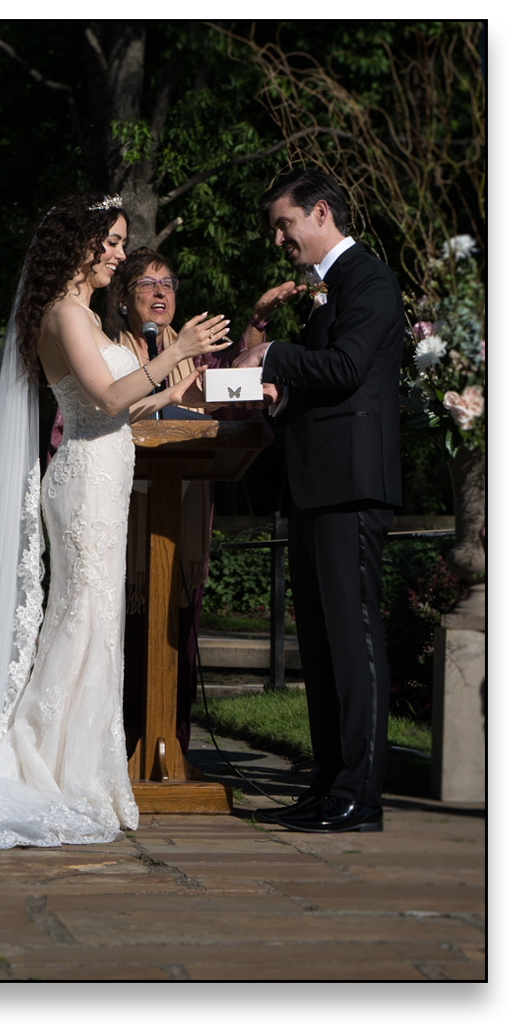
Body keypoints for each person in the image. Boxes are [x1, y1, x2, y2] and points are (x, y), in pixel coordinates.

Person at [0, 192, 230, 849]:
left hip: (105, 476)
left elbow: (119, 410)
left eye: (118, 244)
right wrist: (176, 350)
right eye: (107, 242)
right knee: (82, 620)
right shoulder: (64, 313)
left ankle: (80, 768)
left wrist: (179, 388)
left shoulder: (85, 316)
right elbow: (108, 394)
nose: (116, 254)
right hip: (82, 485)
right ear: (74, 245)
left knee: (94, 624)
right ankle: (43, 766)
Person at [48, 246, 288, 758]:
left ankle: (169, 745)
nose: (160, 293)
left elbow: (236, 381)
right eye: (146, 284)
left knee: (177, 628)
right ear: (122, 298)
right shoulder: (106, 352)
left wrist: (257, 327)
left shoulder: (198, 357)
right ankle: (115, 748)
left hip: (182, 507)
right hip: (123, 510)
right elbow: (82, 420)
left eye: (168, 284)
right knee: (122, 628)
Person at [236, 169, 404, 834]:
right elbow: (321, 379)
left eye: (285, 223)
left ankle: (359, 796)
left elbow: (346, 367)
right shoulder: (324, 290)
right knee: (321, 645)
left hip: (351, 486)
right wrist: (281, 393)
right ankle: (327, 783)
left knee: (352, 640)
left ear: (321, 212)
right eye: (274, 228)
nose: (278, 238)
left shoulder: (368, 279)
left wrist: (274, 355)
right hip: (315, 484)